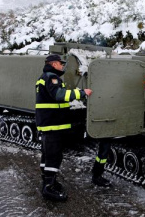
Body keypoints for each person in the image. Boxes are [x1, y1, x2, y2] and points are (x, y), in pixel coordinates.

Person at [36, 54, 111, 202]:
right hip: (53, 124)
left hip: (50, 123)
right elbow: (59, 95)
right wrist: (82, 93)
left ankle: (48, 180)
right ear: (53, 64)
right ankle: (48, 188)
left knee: (47, 155)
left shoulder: (45, 77)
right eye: (60, 63)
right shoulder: (52, 77)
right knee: (54, 156)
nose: (62, 66)